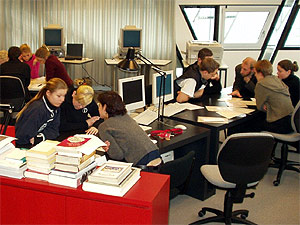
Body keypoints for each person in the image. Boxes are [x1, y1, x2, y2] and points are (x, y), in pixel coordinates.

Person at [97, 91, 161, 166]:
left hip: (142, 164)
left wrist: (108, 149)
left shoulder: (104, 127)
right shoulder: (126, 117)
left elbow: (117, 155)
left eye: (99, 105)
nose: (98, 109)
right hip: (156, 155)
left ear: (104, 107)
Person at [15, 78, 68, 148]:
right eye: (58, 96)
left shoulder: (55, 107)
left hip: (39, 143)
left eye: (64, 96)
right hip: (23, 146)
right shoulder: (37, 109)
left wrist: (39, 138)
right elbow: (23, 137)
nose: (62, 99)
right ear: (48, 93)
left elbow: (55, 131)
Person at [254, 60, 294, 134]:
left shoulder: (261, 84)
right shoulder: (276, 79)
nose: (255, 75)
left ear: (260, 73)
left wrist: (266, 105)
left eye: (255, 73)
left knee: (250, 124)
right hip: (291, 121)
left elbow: (260, 107)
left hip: (278, 123)